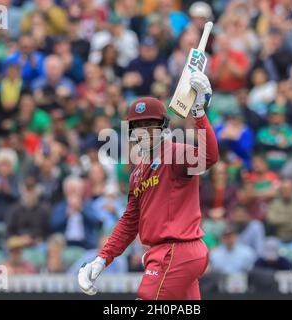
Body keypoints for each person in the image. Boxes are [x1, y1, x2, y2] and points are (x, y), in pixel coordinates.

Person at [78, 71, 218, 300]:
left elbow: (209, 157)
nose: (144, 131)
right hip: (167, 253)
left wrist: (199, 112)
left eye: (150, 124)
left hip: (175, 251)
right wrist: (102, 259)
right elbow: (129, 222)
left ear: (163, 126)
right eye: (138, 126)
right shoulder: (137, 174)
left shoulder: (175, 152)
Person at [50, 176, 101, 248]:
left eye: (76, 190)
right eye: (71, 190)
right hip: (65, 243)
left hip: (86, 243)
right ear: (65, 191)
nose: (74, 193)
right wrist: (67, 215)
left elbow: (96, 222)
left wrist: (81, 210)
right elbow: (53, 226)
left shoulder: (87, 205)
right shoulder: (60, 206)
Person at [5, 175, 51, 244]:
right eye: (27, 188)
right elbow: (9, 232)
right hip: (18, 243)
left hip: (38, 244)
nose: (29, 192)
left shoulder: (44, 210)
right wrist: (20, 239)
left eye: (32, 188)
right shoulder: (13, 209)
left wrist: (37, 240)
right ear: (22, 190)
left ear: (38, 190)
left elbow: (47, 232)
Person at [267, 178, 292, 244]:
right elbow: (272, 220)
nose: (286, 191)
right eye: (284, 189)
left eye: (288, 189)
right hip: (279, 238)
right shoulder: (275, 204)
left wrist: (282, 222)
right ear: (280, 191)